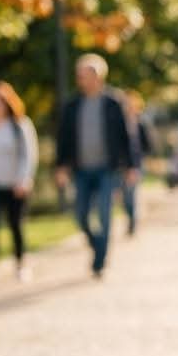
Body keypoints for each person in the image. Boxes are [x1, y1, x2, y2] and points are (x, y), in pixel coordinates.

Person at [55, 54, 136, 278]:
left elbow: (125, 136)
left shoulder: (113, 102)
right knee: (80, 214)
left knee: (104, 213)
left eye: (85, 74)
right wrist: (61, 166)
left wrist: (131, 166)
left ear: (98, 76)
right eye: (79, 75)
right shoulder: (72, 105)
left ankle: (100, 260)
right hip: (81, 169)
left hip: (106, 169)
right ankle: (97, 244)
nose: (81, 79)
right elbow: (63, 138)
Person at [0, 81, 38, 283]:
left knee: (15, 225)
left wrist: (24, 179)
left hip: (15, 185)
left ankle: (21, 263)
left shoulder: (20, 125)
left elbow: (29, 155)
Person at [120, 90, 152, 236]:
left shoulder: (141, 123)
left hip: (137, 164)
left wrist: (142, 157)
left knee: (130, 194)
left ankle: (132, 220)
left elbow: (148, 144)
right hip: (120, 165)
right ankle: (130, 215)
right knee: (123, 196)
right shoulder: (117, 122)